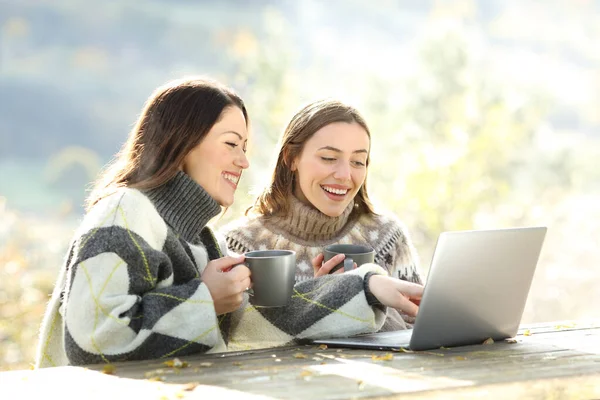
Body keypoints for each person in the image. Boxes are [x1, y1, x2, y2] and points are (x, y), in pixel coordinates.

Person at [36, 79, 423, 368]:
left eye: (244, 148)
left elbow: (254, 323)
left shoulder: (200, 237)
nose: (243, 161)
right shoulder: (125, 211)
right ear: (183, 141)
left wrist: (368, 286)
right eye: (230, 143)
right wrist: (205, 298)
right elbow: (92, 340)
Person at [223, 99, 423, 330]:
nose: (345, 175)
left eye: (358, 161)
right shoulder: (238, 247)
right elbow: (241, 344)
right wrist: (319, 301)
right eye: (328, 158)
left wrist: (365, 296)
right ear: (291, 158)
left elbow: (419, 334)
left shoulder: (387, 237)